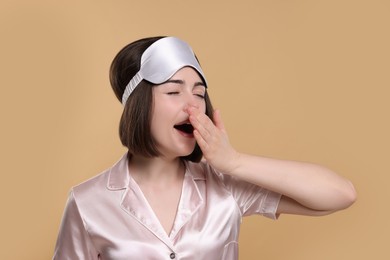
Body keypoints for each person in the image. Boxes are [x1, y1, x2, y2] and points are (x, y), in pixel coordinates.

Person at [53, 36, 356, 260]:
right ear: (138, 106)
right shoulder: (87, 202)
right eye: (173, 90)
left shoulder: (227, 187)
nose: (192, 105)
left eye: (199, 93)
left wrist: (234, 162)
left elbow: (340, 194)